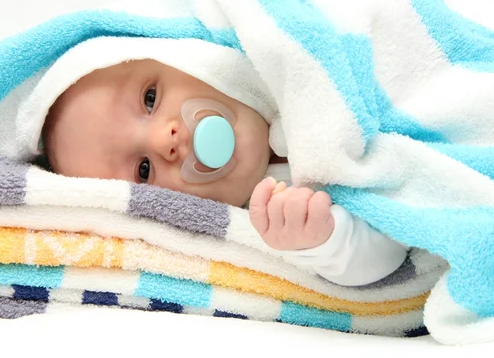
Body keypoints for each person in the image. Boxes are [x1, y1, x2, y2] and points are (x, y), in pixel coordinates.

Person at [42, 58, 408, 287]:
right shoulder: (268, 216)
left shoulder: (279, 57)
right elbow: (394, 240)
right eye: (143, 170)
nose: (162, 140)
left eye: (150, 98)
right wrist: (323, 240)